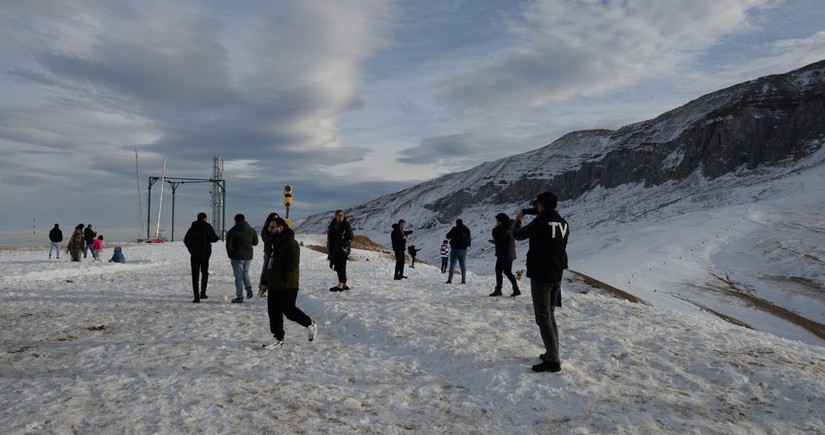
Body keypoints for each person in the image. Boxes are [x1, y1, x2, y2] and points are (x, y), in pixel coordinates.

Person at [512, 192, 569, 373]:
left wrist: (518, 220)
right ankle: (553, 352)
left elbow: (517, 235)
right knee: (550, 314)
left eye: (538, 205)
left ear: (541, 206)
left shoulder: (539, 222)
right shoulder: (563, 224)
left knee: (542, 317)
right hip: (556, 273)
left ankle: (553, 361)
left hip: (541, 274)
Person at [260, 217, 317, 349]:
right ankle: (278, 338)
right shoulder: (273, 243)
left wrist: (283, 278)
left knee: (289, 311)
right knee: (273, 313)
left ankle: (310, 323)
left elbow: (292, 264)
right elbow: (269, 263)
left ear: (281, 228)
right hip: (274, 284)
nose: (270, 230)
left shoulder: (291, 243)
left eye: (273, 227)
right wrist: (265, 281)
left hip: (287, 284)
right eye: (269, 227)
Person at [184, 212, 220, 303]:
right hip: (205, 254)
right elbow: (214, 239)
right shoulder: (207, 227)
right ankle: (203, 293)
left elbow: (186, 240)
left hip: (194, 254)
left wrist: (191, 250)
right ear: (205, 218)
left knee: (195, 275)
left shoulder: (192, 228)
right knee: (204, 273)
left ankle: (196, 297)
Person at [226, 213, 259, 303]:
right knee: (245, 272)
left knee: (238, 277)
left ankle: (239, 297)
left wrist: (230, 255)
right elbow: (255, 243)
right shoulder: (252, 230)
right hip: (248, 256)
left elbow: (229, 245)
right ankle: (248, 288)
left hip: (236, 256)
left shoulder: (232, 231)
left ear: (235, 221)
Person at [490, 213, 521, 297]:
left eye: (497, 221)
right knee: (507, 272)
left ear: (501, 221)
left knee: (498, 271)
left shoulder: (504, 229)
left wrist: (494, 229)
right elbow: (502, 240)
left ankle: (498, 290)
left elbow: (498, 238)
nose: (497, 222)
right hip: (509, 253)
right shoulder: (509, 227)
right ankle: (516, 289)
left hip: (504, 254)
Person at [327, 210, 354, 292]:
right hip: (334, 249)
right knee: (338, 266)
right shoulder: (332, 225)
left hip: (343, 249)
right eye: (339, 215)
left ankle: (341, 284)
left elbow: (350, 236)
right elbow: (330, 237)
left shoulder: (346, 224)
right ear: (335, 216)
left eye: (342, 215)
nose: (340, 216)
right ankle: (344, 283)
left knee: (341, 266)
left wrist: (344, 244)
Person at [258, 212, 280, 295]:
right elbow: (266, 239)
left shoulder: (278, 228)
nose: (275, 220)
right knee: (266, 270)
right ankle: (262, 287)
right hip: (268, 253)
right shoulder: (266, 229)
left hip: (276, 253)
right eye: (274, 218)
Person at [445, 218, 471, 284]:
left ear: (456, 223)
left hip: (455, 249)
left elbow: (447, 236)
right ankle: (463, 280)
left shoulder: (455, 229)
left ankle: (449, 280)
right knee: (463, 264)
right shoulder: (467, 229)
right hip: (464, 250)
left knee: (452, 264)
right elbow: (469, 239)